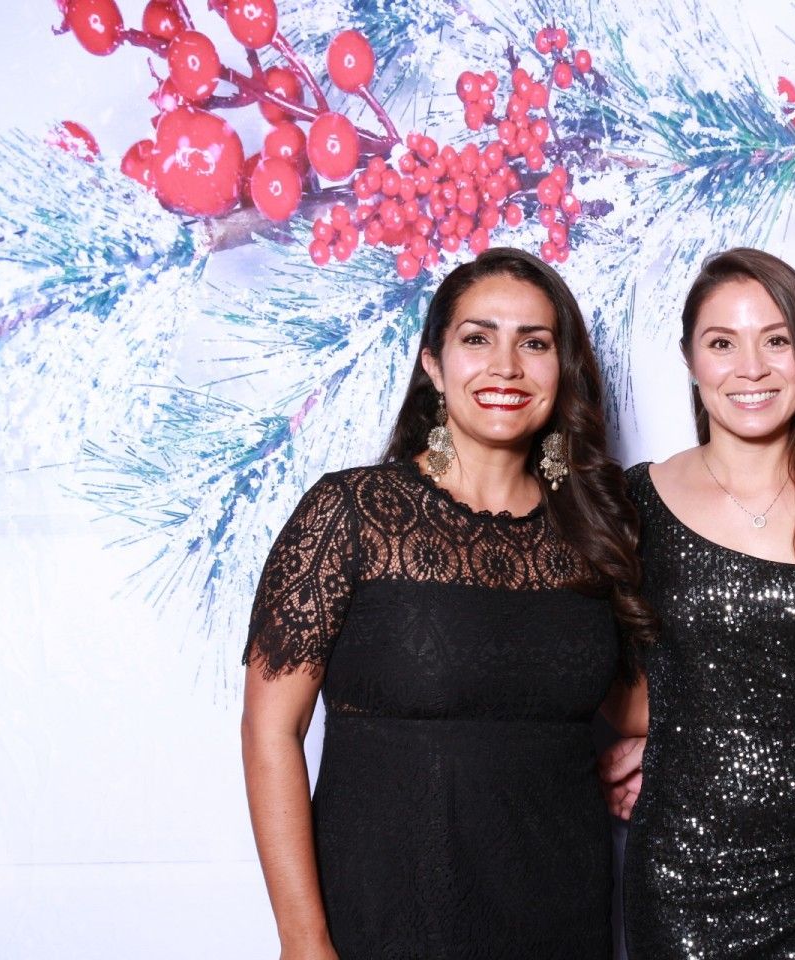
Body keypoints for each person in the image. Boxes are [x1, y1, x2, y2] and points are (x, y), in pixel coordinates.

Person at [240, 248, 654, 959]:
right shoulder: (352, 512)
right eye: (477, 338)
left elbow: (635, 705)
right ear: (432, 363)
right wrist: (303, 942)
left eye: (534, 342)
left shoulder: (593, 528)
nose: (505, 366)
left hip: (561, 921)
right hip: (384, 923)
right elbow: (269, 731)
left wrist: (663, 741)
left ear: (564, 368)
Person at [609, 248, 795, 958]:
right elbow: (600, 669)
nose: (752, 368)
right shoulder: (634, 499)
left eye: (777, 340)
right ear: (689, 359)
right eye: (722, 343)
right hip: (686, 871)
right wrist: (643, 732)